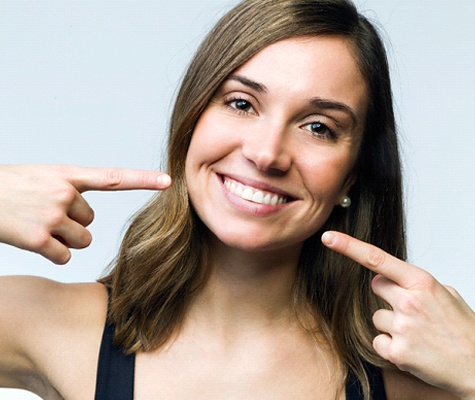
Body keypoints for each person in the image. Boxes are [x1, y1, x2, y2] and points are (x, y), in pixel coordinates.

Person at [1, 0, 474, 399]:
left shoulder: (405, 373)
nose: (266, 154)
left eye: (318, 128)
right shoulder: (51, 324)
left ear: (352, 177)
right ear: (192, 119)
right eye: (241, 103)